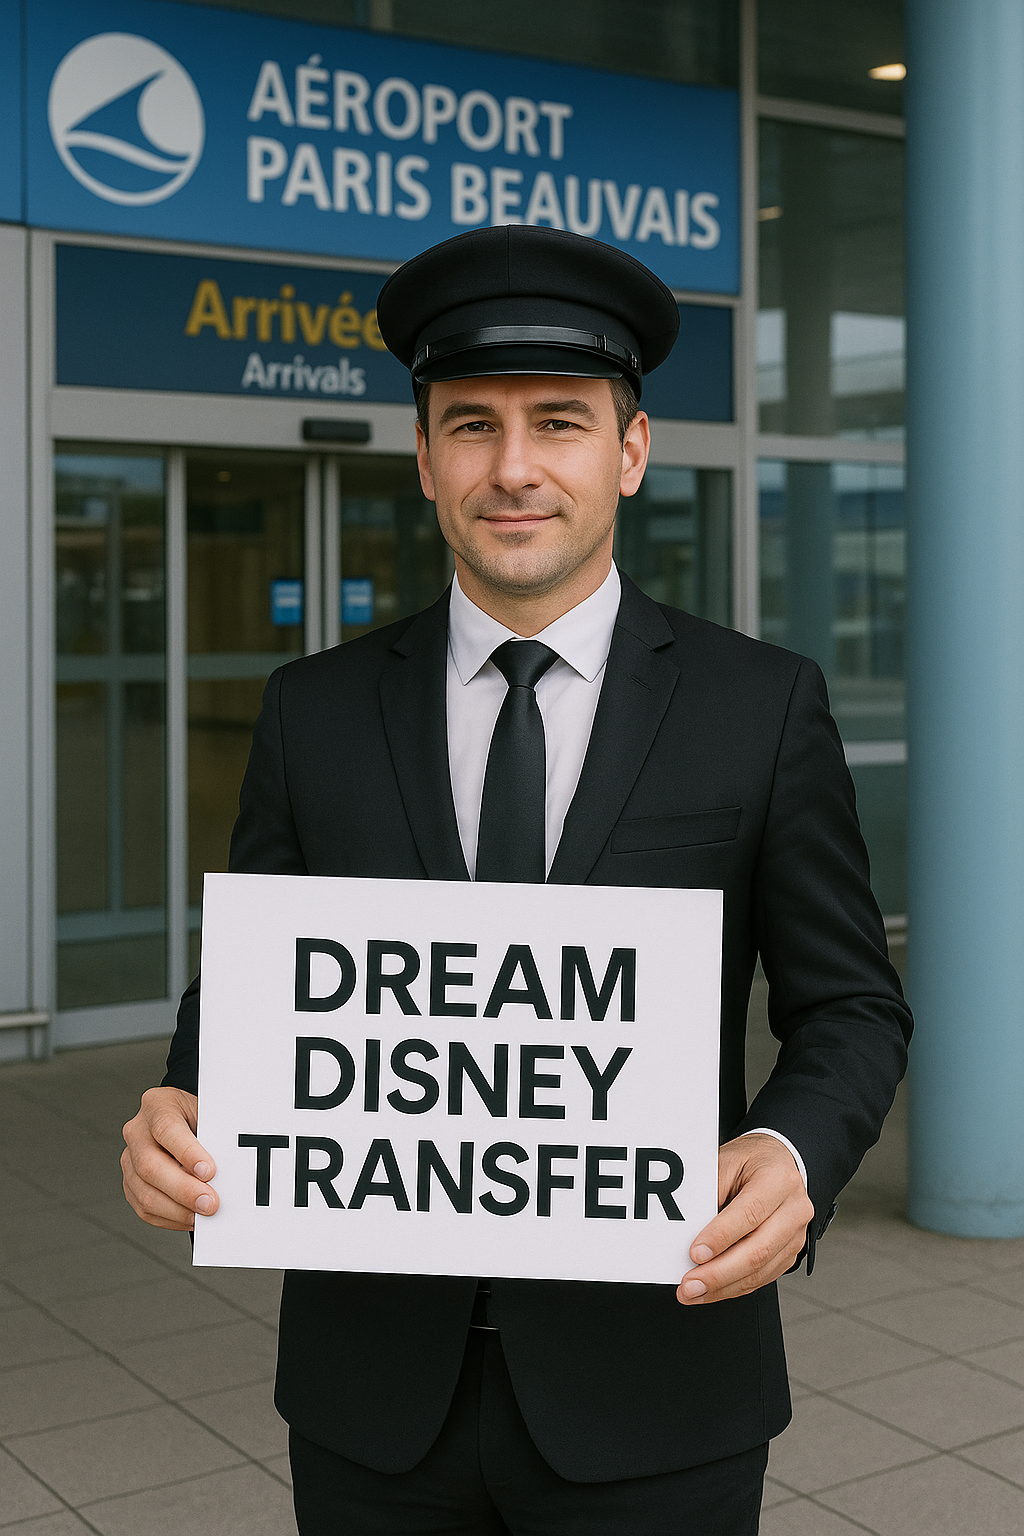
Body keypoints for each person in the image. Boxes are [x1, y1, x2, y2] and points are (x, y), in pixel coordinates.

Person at [122, 225, 912, 1535]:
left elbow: (852, 1006)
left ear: (631, 451)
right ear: (425, 456)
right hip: (375, 1401)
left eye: (559, 422)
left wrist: (792, 1152)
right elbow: (259, 994)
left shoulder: (760, 707)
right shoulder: (313, 711)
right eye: (472, 425)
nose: (515, 468)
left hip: (658, 1386)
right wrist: (184, 1105)